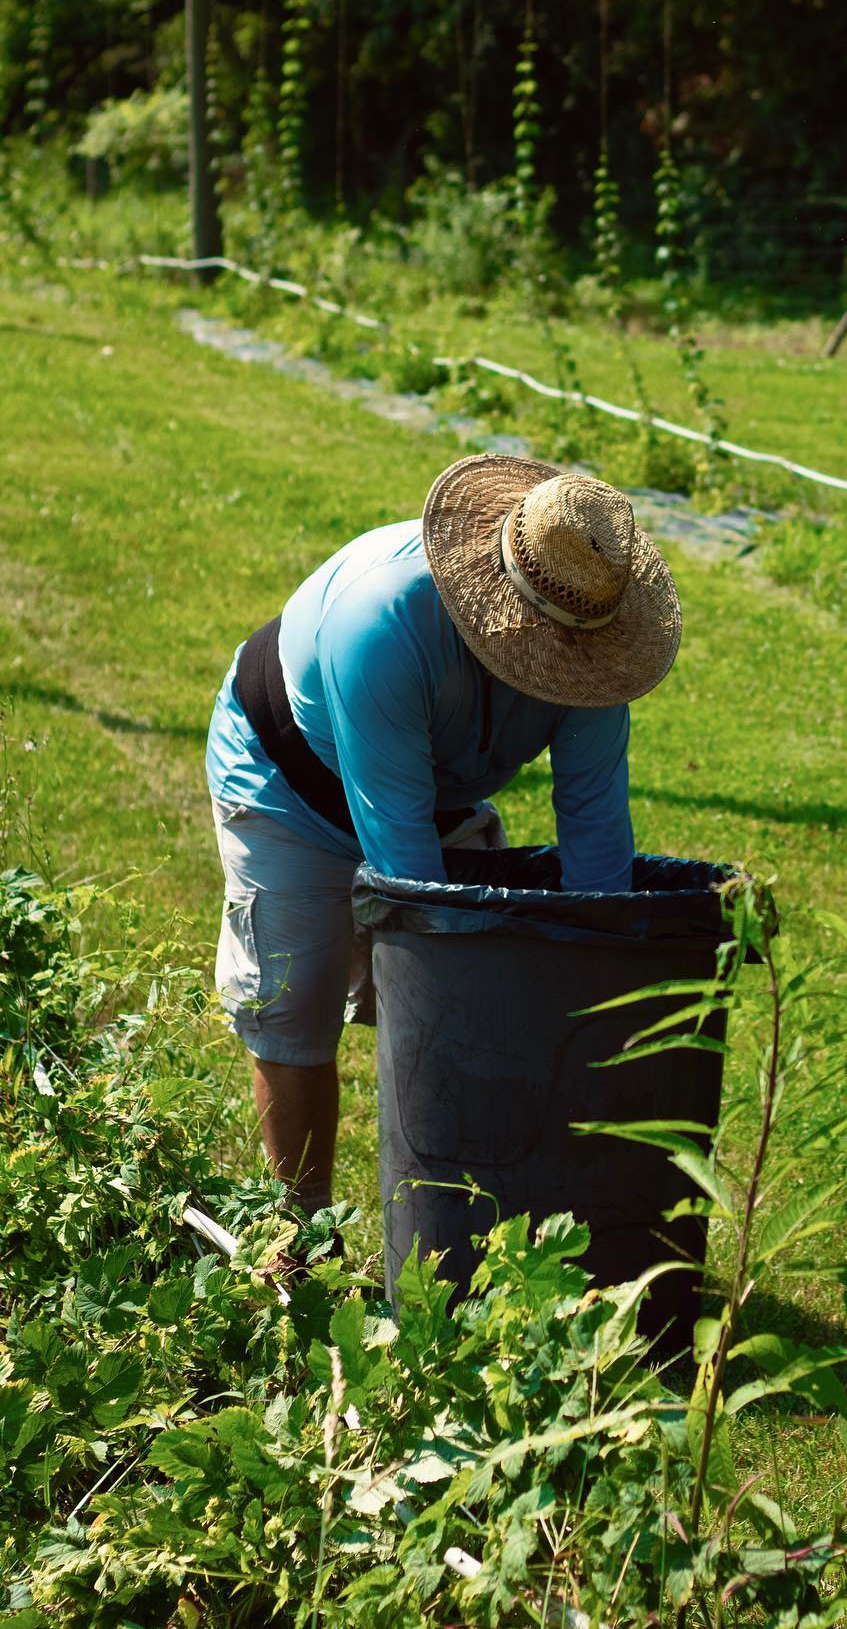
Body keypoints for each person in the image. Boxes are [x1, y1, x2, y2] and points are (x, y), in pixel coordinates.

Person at [206, 453, 682, 1216]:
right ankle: (298, 1236)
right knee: (298, 1004)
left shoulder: (593, 631)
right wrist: (440, 998)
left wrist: (602, 996)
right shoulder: (382, 623)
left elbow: (596, 841)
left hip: (438, 792)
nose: (561, 664)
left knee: (490, 997)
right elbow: (410, 879)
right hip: (290, 777)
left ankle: (484, 1223)